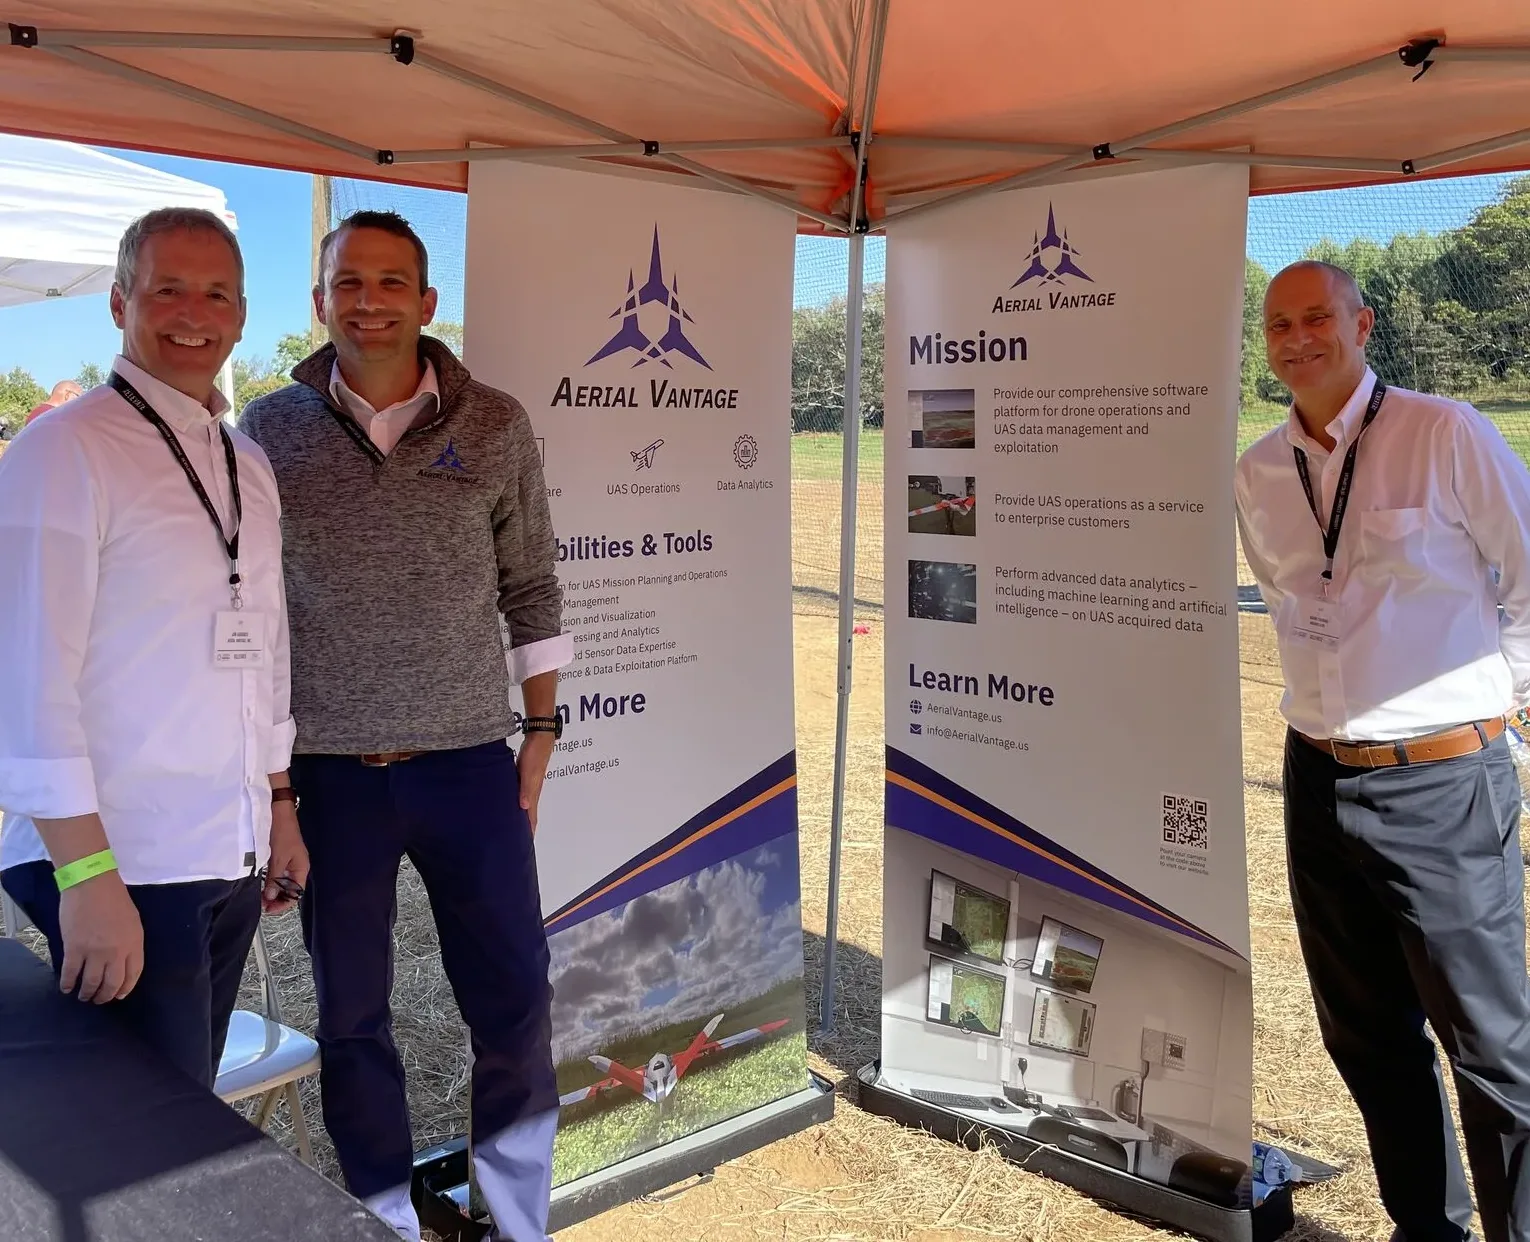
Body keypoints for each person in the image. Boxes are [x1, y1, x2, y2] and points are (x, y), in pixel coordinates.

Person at [239, 210, 569, 1242]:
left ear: (428, 304)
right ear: (321, 300)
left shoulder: (497, 425)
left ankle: (514, 1218)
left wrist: (543, 731)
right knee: (352, 1019)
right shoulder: (268, 431)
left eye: (392, 282)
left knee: (513, 998)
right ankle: (381, 1212)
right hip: (332, 777)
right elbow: (250, 610)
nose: (369, 300)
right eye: (349, 282)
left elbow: (532, 584)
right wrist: (275, 787)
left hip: (470, 763)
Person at [1236, 259, 1530, 1242]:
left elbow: (1527, 572)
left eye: (1318, 317)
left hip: (1442, 773)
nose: (1297, 338)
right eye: (1279, 324)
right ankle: (1427, 1231)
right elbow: (1292, 604)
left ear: (1362, 324)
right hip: (1316, 771)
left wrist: (1505, 707)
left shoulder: (1442, 432)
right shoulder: (1258, 472)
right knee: (1365, 1033)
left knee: (1489, 1045)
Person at [0, 207, 308, 1089]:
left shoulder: (245, 462)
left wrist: (277, 805)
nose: (192, 313)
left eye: (216, 293)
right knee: (147, 1145)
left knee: (188, 1124)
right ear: (118, 301)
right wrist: (88, 875)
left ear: (243, 314)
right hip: (121, 865)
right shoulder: (64, 450)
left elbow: (266, 646)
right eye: (167, 288)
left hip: (226, 851)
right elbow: (26, 683)